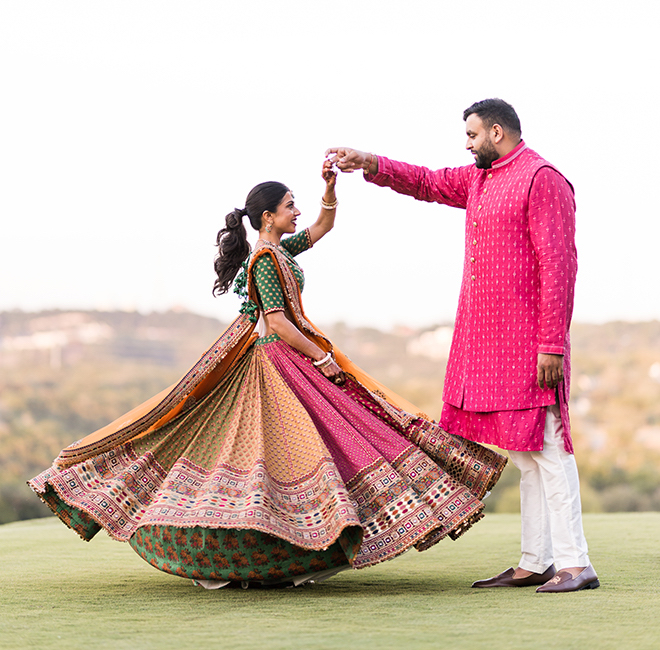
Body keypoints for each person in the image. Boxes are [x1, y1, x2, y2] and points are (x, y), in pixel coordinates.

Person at [29, 161, 506, 589]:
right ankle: (274, 543)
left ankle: (300, 544)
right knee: (282, 445)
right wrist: (321, 359)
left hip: (286, 356)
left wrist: (328, 189)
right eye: (289, 205)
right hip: (275, 358)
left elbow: (323, 227)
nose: (297, 211)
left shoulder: (280, 250)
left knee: (314, 441)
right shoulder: (264, 260)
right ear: (267, 218)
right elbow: (276, 321)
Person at [326, 98, 599, 593]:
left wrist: (551, 346)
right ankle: (536, 561)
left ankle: (577, 564)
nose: (466, 144)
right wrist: (369, 162)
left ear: (497, 132)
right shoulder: (478, 179)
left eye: (472, 136)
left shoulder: (544, 179)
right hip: (488, 342)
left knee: (551, 447)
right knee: (526, 453)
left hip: (532, 344)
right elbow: (427, 182)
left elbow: (561, 267)